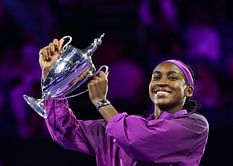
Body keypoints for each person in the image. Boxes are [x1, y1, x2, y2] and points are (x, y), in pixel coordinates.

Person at [39, 38, 209, 166]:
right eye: (156, 77)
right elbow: (66, 133)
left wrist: (101, 102)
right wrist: (53, 76)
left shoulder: (194, 126)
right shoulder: (114, 128)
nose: (161, 82)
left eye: (172, 78)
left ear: (189, 91)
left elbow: (139, 139)